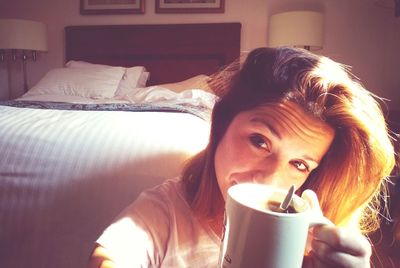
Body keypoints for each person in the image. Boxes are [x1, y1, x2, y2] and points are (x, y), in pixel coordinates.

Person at [88, 47, 396, 267]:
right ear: (221, 127)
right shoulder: (168, 210)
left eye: (299, 164)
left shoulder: (309, 237)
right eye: (259, 141)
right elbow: (114, 254)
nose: (269, 179)